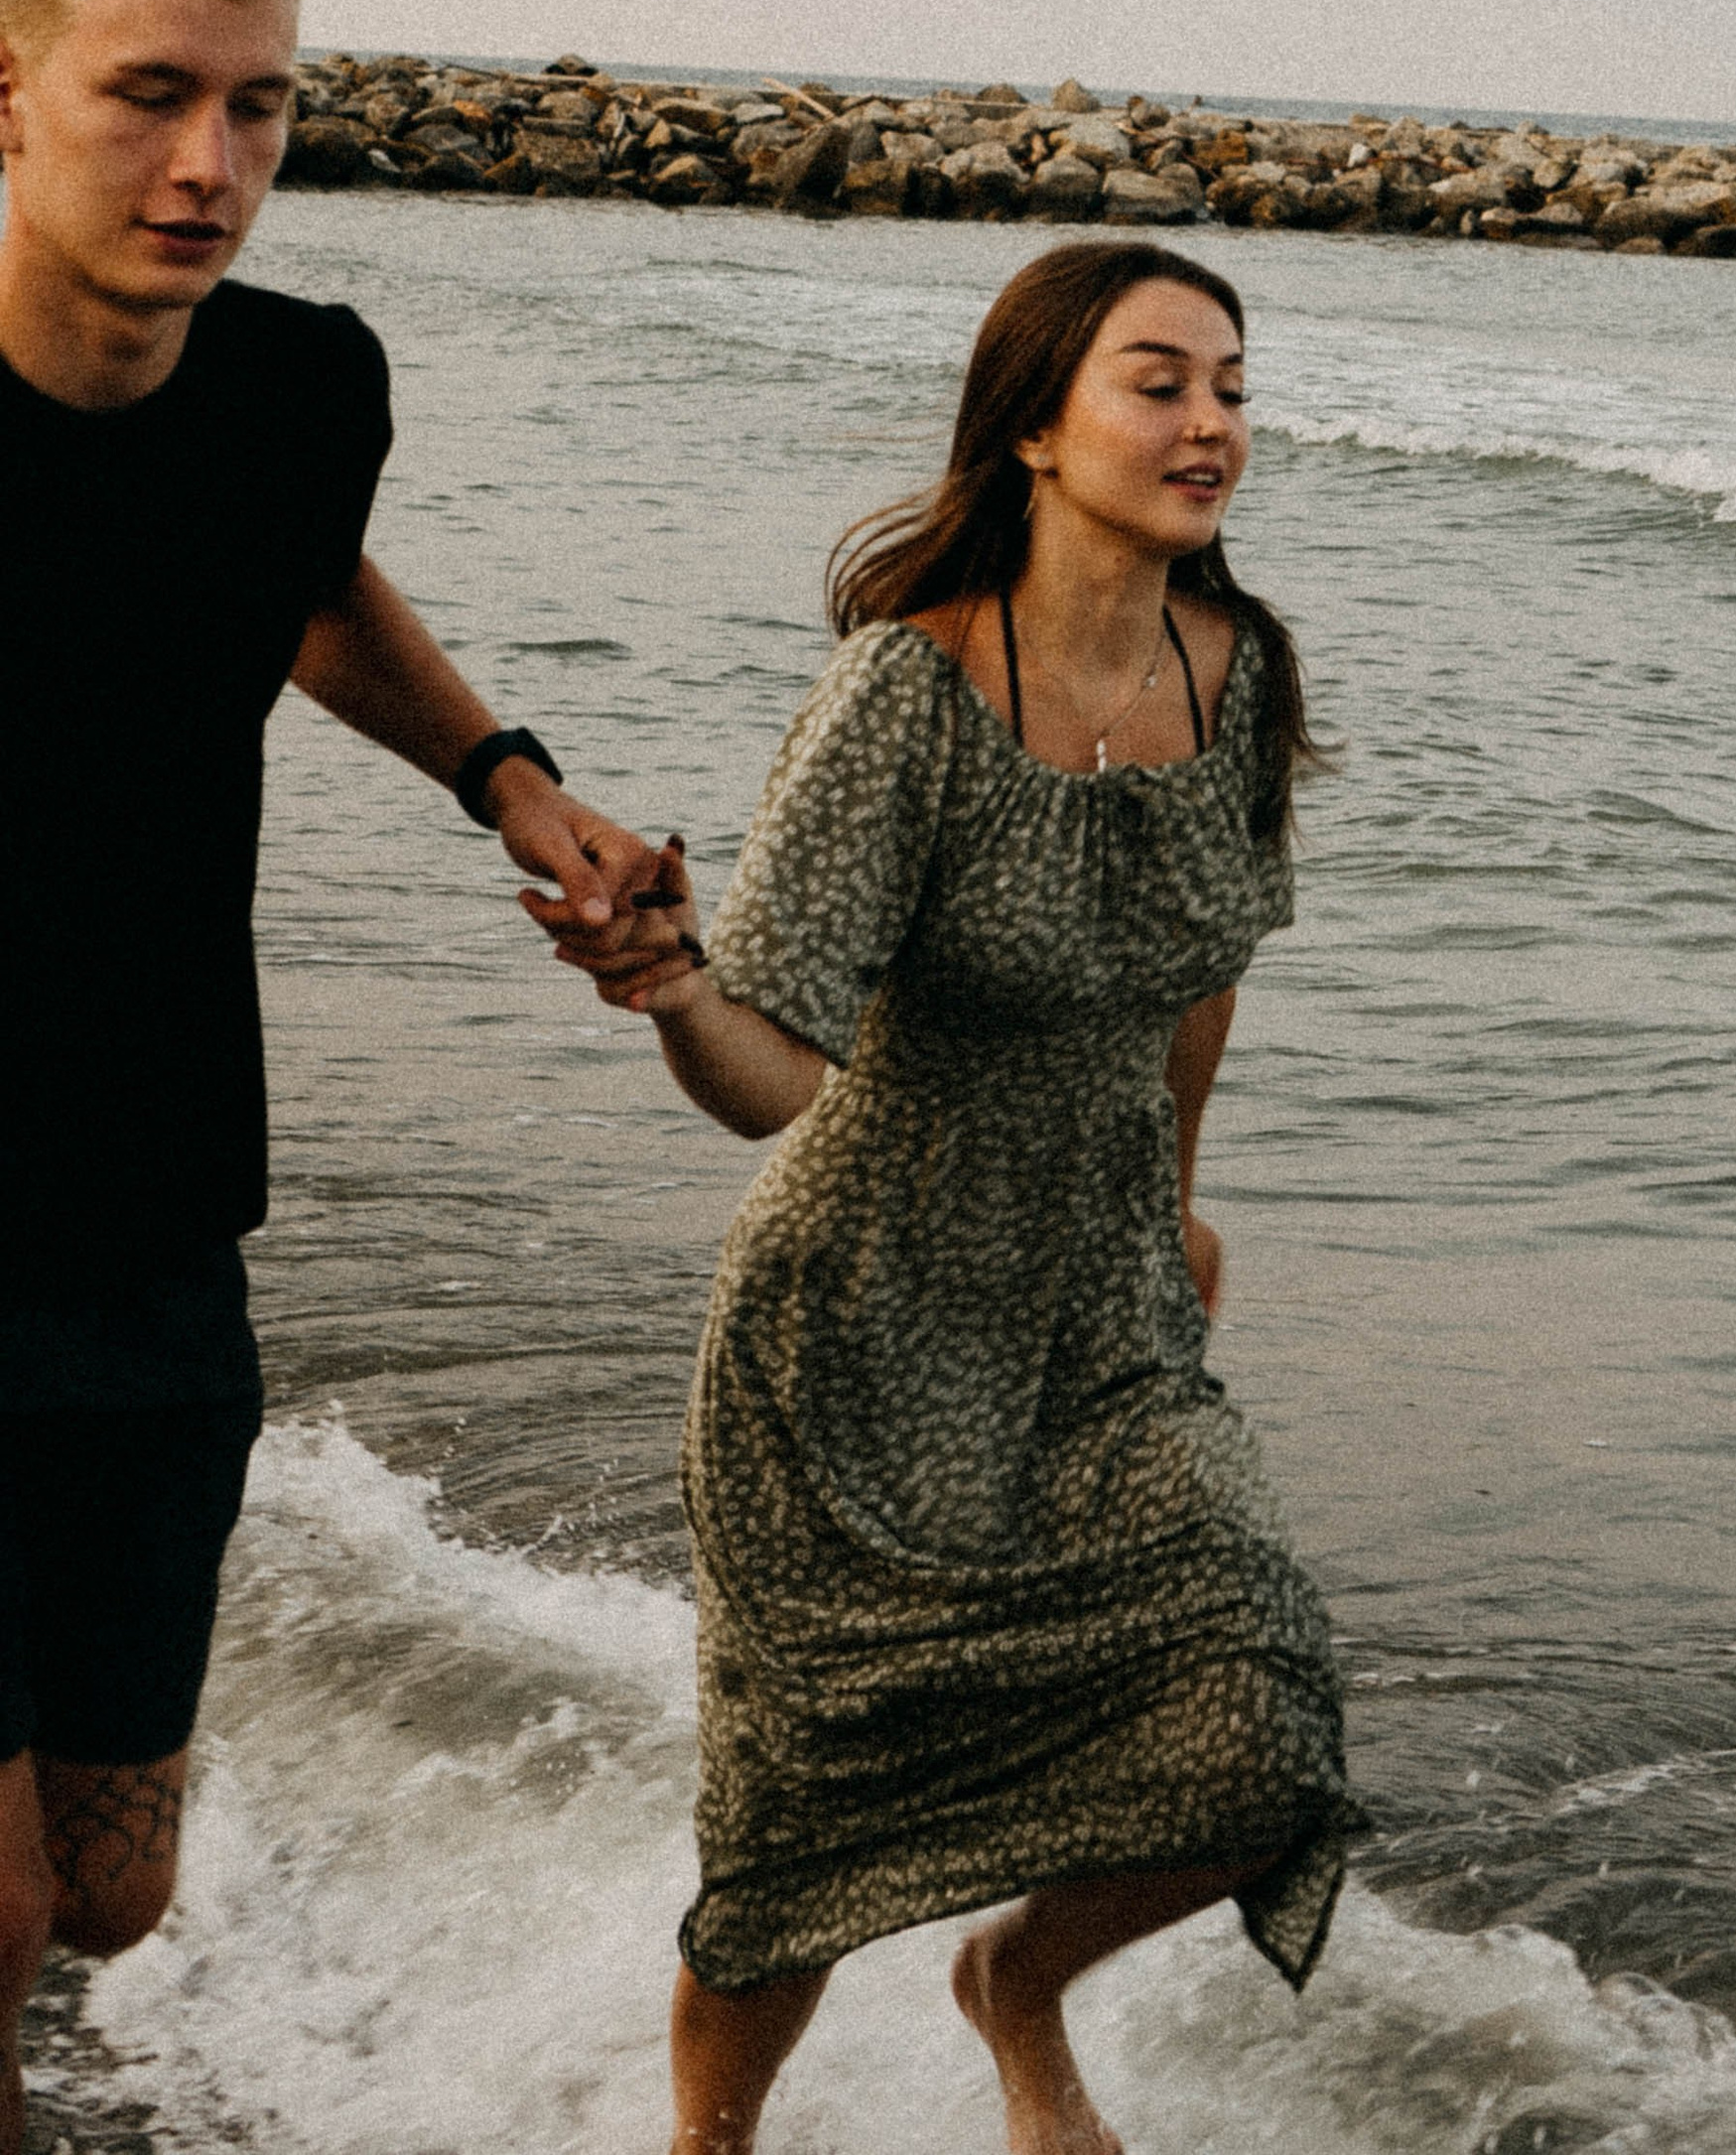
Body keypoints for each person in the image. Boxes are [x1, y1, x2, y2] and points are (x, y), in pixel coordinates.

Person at [540, 237, 1354, 2155]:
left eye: (1232, 388)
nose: (1212, 424)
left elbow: (1204, 969)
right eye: (1160, 382)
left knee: (1263, 1728)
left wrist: (1177, 1205)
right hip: (857, 1328)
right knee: (802, 1828)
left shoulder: (1237, 670)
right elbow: (773, 1073)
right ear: (1037, 429)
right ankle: (708, 2146)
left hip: (1102, 1314)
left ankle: (1018, 1984)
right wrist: (674, 989)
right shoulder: (902, 695)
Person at [0, 0, 661, 2155]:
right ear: (9, 91)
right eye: (149, 94)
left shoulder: (299, 387)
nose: (210, 164)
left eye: (259, 104)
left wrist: (506, 777)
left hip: (153, 1210)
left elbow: (306, 587)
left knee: (109, 1892)